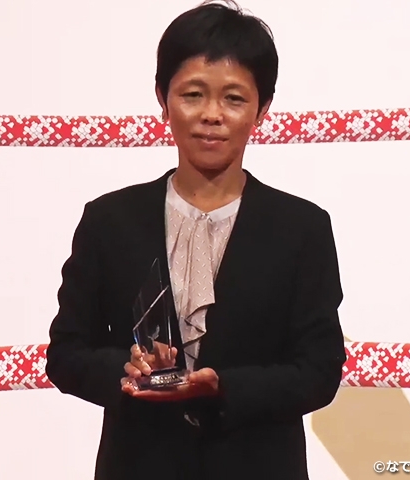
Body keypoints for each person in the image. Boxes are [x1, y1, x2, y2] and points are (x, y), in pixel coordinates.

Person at [45, 1, 346, 478]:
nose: (211, 115)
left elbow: (319, 372)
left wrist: (222, 387)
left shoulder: (301, 228)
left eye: (234, 98)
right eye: (192, 94)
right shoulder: (109, 220)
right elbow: (66, 354)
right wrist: (127, 371)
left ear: (263, 108)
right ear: (163, 99)